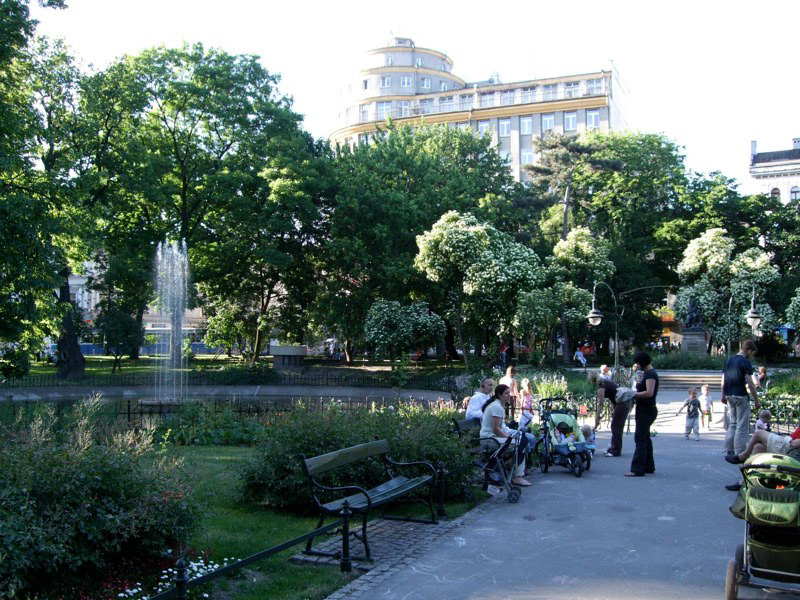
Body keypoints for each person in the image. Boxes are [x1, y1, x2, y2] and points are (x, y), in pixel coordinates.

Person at [721, 340, 759, 490]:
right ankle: (739, 453)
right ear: (748, 350)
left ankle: (728, 449)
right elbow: (750, 383)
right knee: (742, 426)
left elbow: (724, 379)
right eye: (752, 353)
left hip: (729, 394)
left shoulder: (729, 360)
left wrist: (723, 395)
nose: (751, 356)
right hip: (741, 396)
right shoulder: (745, 362)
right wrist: (756, 399)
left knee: (733, 423)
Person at [480, 384, 531, 487]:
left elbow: (499, 428)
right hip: (489, 439)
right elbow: (496, 429)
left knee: (522, 440)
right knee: (520, 443)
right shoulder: (497, 407)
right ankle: (517, 476)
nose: (509, 395)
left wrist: (511, 436)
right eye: (506, 393)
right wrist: (509, 438)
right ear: (499, 395)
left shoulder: (498, 405)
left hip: (492, 437)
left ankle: (511, 466)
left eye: (509, 393)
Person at [625, 351, 659, 477]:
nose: (637, 366)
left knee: (639, 438)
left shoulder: (650, 375)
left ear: (642, 363)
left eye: (638, 363)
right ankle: (649, 466)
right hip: (645, 409)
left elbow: (649, 392)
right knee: (645, 438)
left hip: (646, 409)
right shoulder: (647, 373)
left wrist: (633, 394)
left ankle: (637, 469)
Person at [588, 370, 630, 458]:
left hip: (622, 403)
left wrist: (597, 418)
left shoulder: (601, 386)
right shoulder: (605, 382)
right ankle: (613, 448)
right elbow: (613, 394)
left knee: (616, 426)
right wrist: (613, 409)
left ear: (592, 379)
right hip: (621, 402)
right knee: (616, 426)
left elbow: (601, 403)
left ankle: (616, 450)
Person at [725, 425, 800, 464]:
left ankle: (743, 456)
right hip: (786, 442)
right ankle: (743, 482)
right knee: (758, 447)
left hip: (789, 446)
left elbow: (795, 443)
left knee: (758, 433)